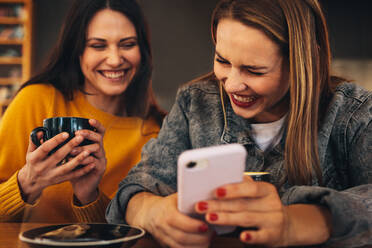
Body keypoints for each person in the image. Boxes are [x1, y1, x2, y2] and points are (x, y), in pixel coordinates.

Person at [106, 0, 371, 247]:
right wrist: (150, 211)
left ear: (305, 61)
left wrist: (302, 221)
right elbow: (138, 185)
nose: (231, 85)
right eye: (222, 60)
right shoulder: (194, 103)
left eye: (254, 70)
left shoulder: (353, 114)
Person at [0, 0, 165, 223]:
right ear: (77, 51)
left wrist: (89, 196)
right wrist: (27, 182)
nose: (115, 59)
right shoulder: (37, 100)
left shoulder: (157, 132)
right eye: (98, 45)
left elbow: (136, 233)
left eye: (127, 44)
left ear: (142, 52)